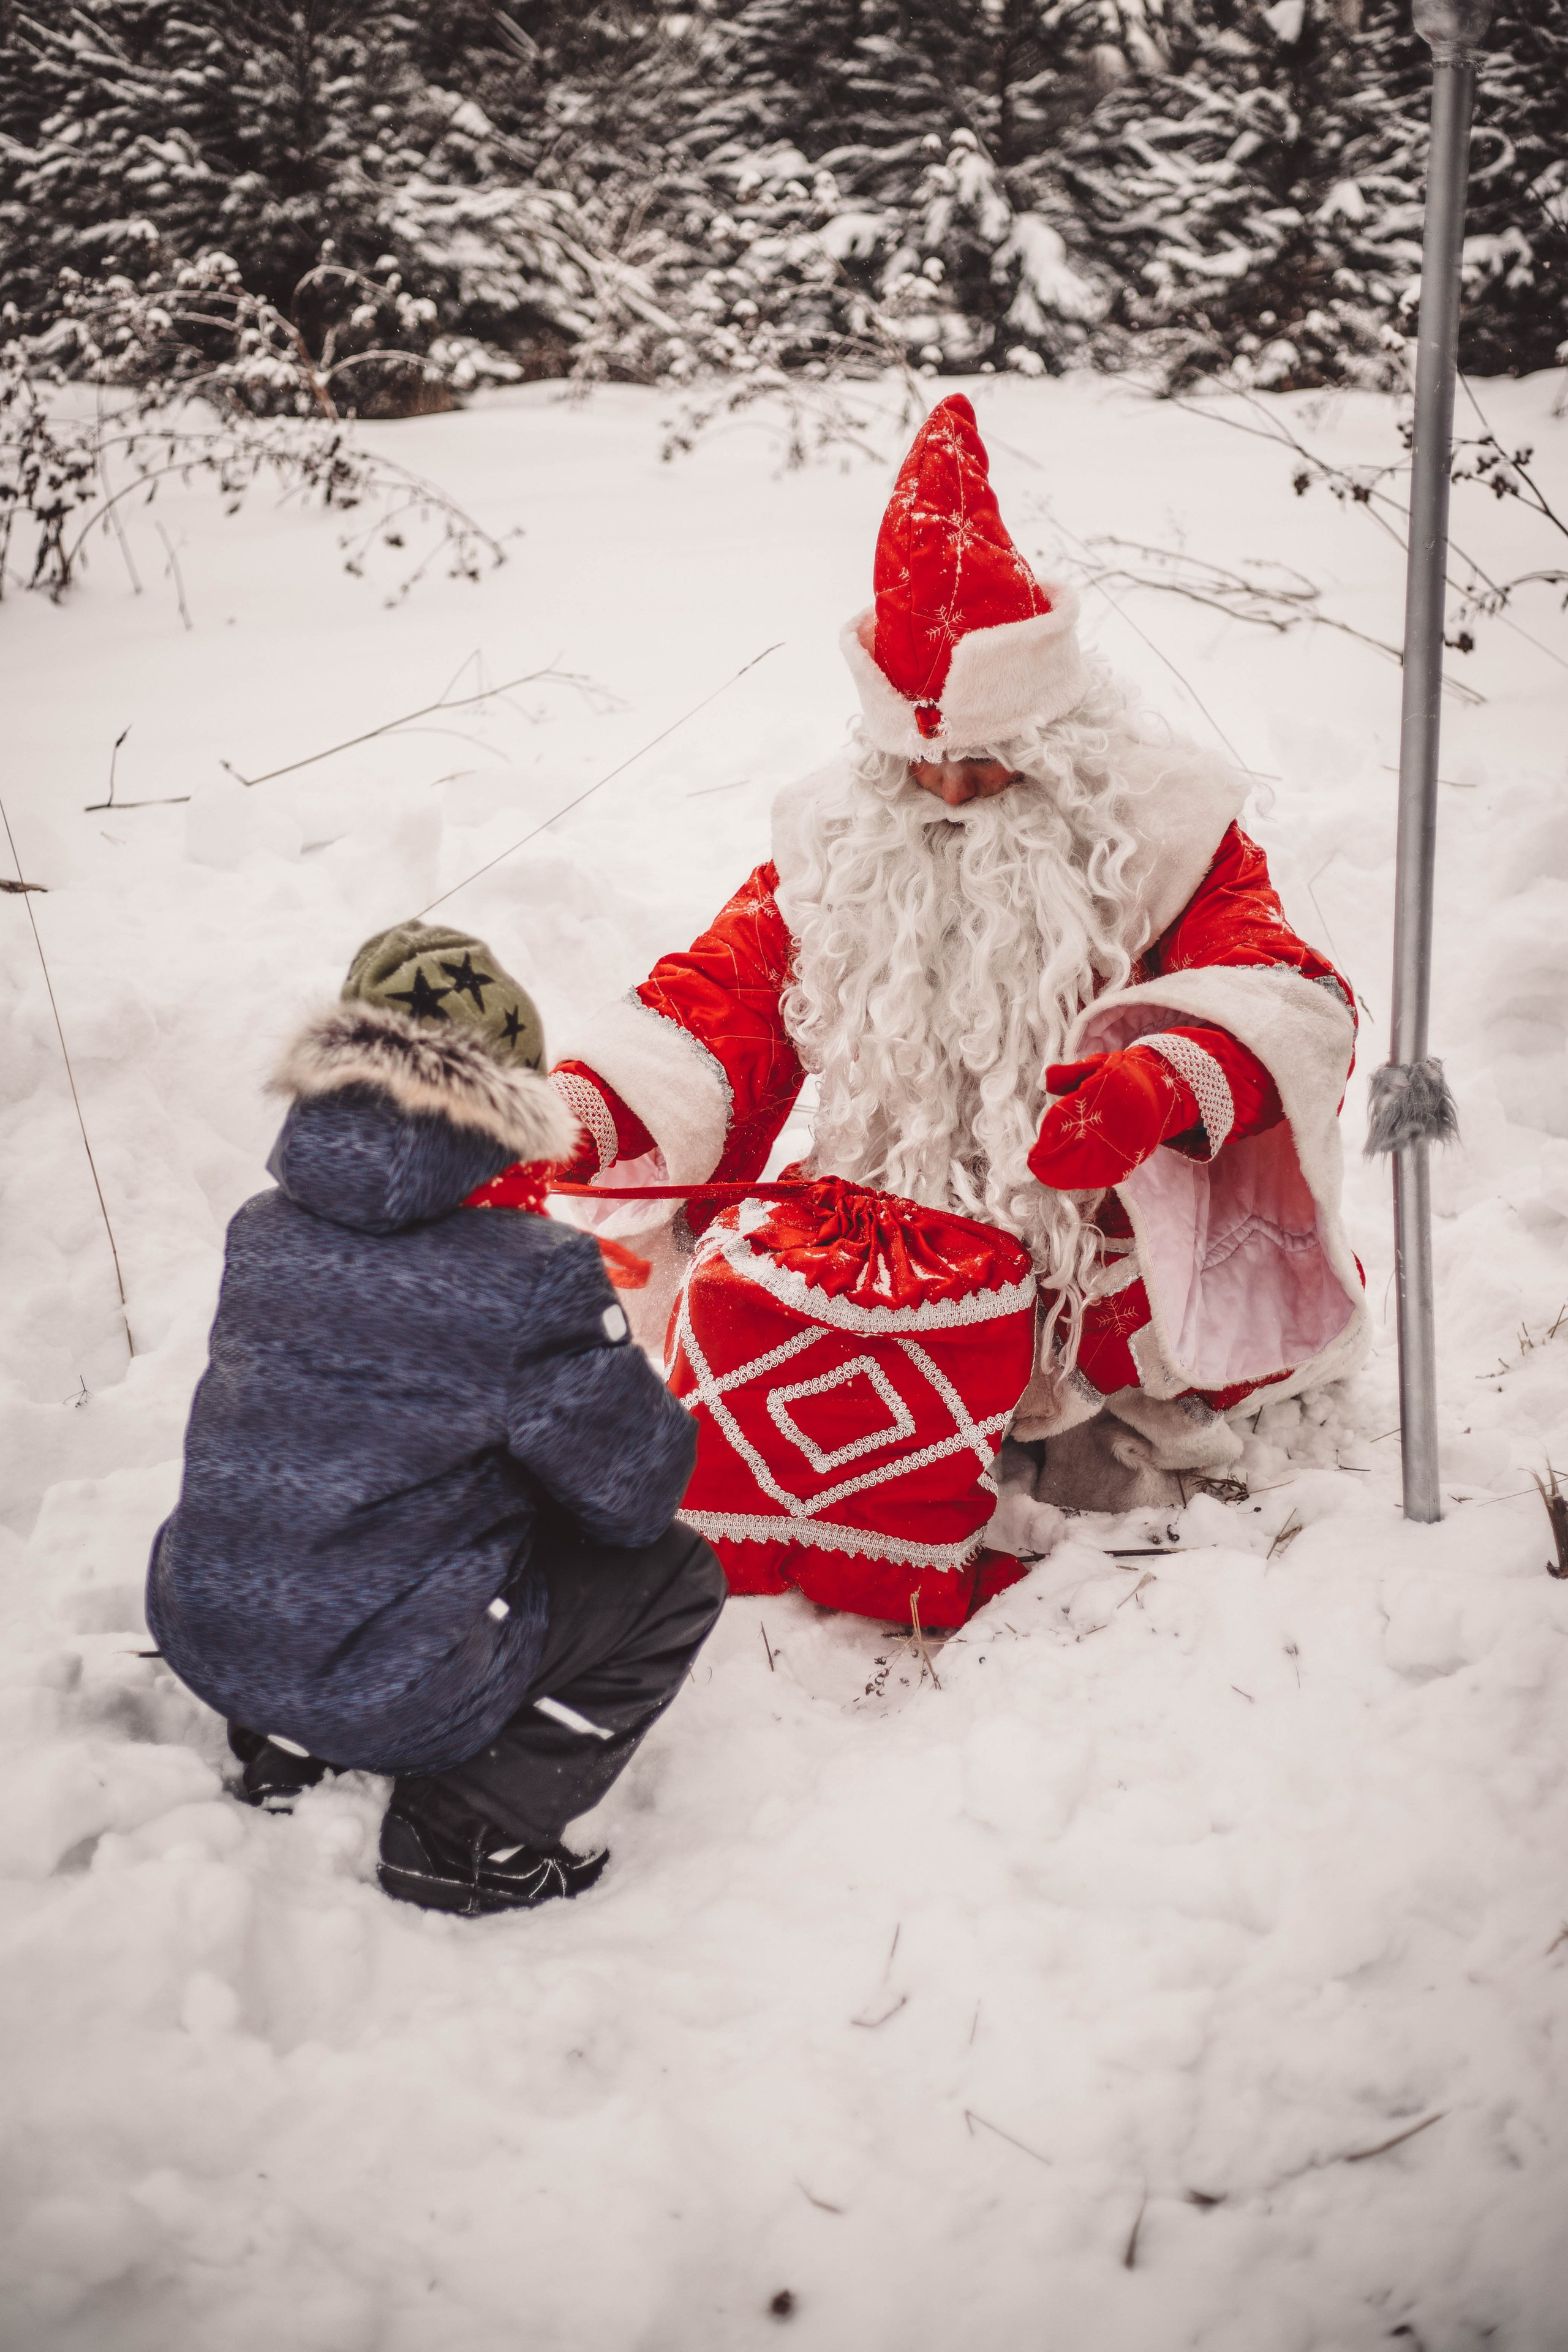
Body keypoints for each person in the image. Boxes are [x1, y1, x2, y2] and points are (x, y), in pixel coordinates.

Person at [549, 394, 1366, 1629]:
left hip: (1096, 1268)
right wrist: (586, 1110)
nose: (947, 787)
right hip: (889, 1249)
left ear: (1056, 722)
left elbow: (1284, 991)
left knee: (1125, 1446)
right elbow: (725, 994)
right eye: (918, 763)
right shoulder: (836, 831)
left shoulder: (1161, 828)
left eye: (986, 761)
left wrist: (1165, 1081)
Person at [146, 920, 724, 1918]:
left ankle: (282, 1743)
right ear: (505, 1102)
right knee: (677, 1576)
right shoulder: (530, 1277)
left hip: (214, 1637)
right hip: (382, 1685)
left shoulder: (262, 1227)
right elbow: (636, 1496)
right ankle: (466, 1829)